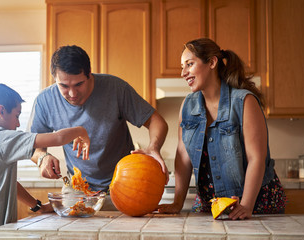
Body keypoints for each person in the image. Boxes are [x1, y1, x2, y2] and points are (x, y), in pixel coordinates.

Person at [158, 38, 286, 219]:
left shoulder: (244, 102)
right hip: (211, 205)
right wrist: (177, 203)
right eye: (182, 66)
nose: (183, 73)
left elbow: (256, 158)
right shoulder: (187, 106)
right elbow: (183, 155)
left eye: (189, 64)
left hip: (255, 204)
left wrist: (247, 205)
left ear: (211, 62)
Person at [29, 45, 169, 193]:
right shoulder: (45, 101)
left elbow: (156, 121)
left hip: (125, 184)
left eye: (79, 84)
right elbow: (30, 146)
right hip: (77, 187)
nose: (72, 93)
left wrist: (153, 147)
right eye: (63, 86)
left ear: (89, 74)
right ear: (54, 79)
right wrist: (42, 157)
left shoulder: (116, 89)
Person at [0, 84, 90, 240]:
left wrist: (37, 206)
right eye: (16, 115)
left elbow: (5, 184)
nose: (18, 124)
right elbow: (58, 138)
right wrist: (81, 130)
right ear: (1, 111)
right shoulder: (0, 138)